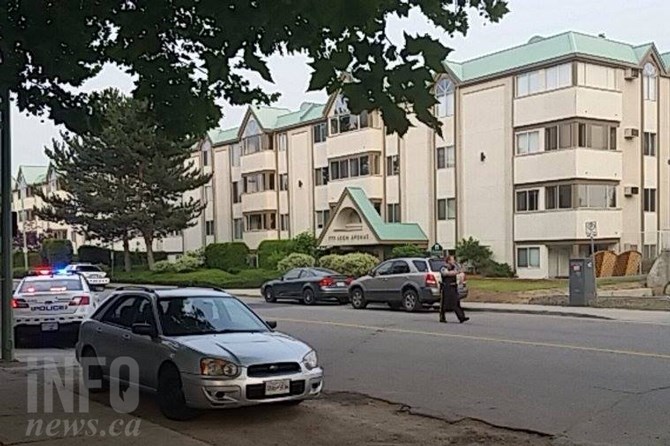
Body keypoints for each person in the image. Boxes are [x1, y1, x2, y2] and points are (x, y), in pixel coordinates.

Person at [439, 255, 469, 324]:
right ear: (448, 261)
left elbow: (459, 273)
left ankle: (461, 317)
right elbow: (446, 273)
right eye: (452, 260)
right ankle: (442, 317)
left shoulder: (454, 267)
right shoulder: (444, 268)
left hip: (453, 287)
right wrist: (457, 272)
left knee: (456, 302)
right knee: (444, 303)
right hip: (446, 287)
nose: (454, 261)